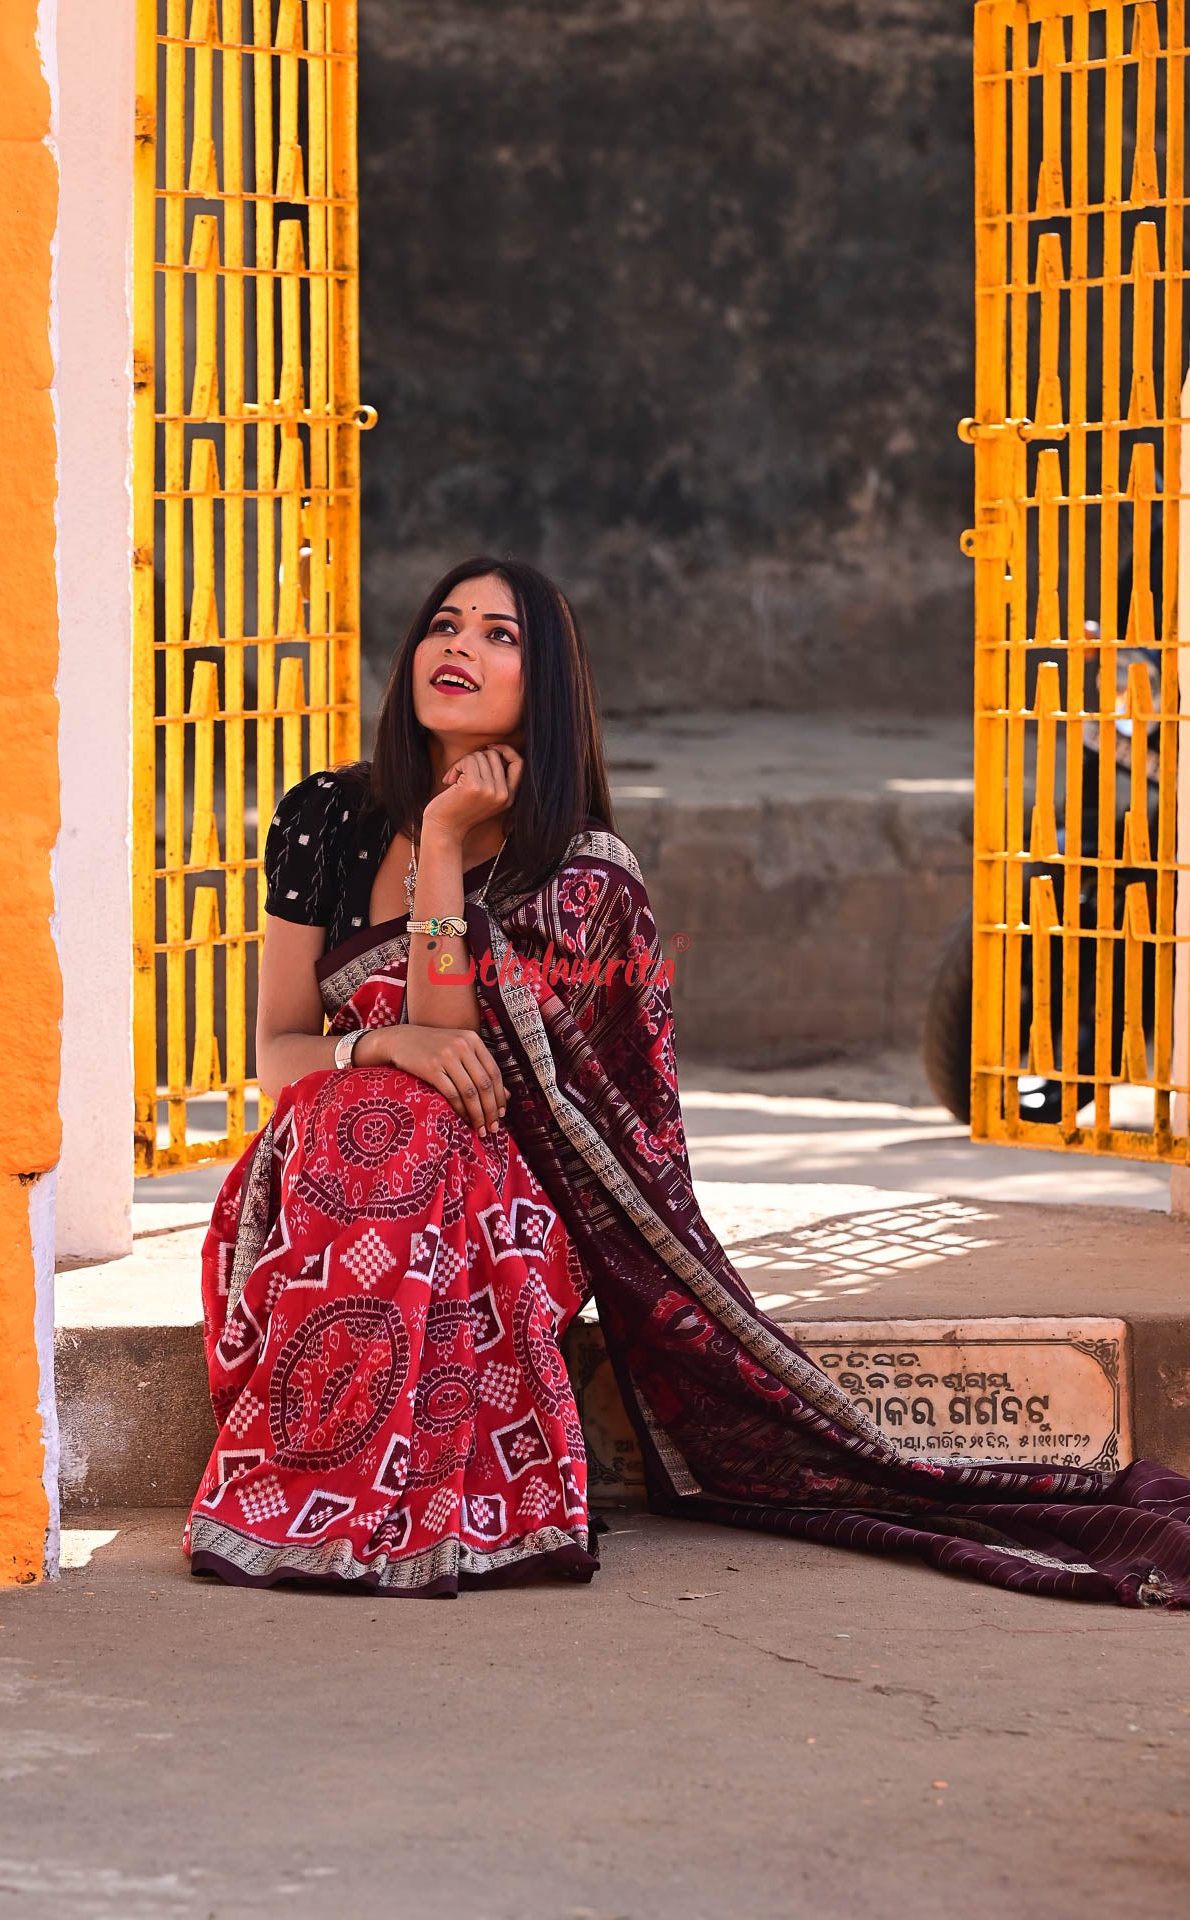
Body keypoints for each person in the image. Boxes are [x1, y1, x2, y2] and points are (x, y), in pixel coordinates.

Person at [184, 556, 1190, 1604]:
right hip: (331, 1163)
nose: (457, 647)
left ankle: (352, 1504)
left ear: (547, 686)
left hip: (498, 1196)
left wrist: (440, 845)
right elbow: (282, 1052)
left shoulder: (578, 875)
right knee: (378, 1116)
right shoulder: (325, 819)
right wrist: (376, 1049)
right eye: (444, 624)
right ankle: (339, 1496)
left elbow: (464, 1069)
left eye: (499, 635)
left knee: (416, 1130)